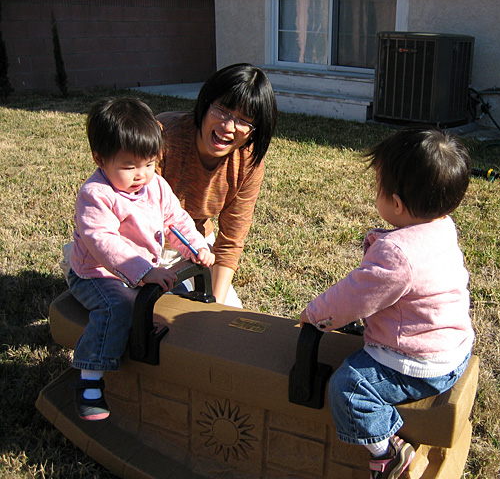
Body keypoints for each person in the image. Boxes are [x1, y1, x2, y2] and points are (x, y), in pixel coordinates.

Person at [299, 127, 475, 479]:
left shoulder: (396, 255)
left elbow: (354, 296)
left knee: (349, 389)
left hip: (417, 361)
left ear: (395, 203)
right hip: (455, 348)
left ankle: (389, 451)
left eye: (377, 187)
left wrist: (316, 315)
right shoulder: (443, 226)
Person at [67, 97, 215, 421]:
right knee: (117, 307)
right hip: (97, 274)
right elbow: (101, 241)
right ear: (100, 159)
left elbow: (175, 219)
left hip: (141, 268)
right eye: (130, 166)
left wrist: (196, 247)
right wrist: (143, 271)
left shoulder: (155, 186)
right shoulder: (96, 195)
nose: (141, 175)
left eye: (149, 163)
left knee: (175, 296)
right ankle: (89, 376)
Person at [156, 63, 277, 307]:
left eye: (245, 121)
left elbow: (230, 242)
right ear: (205, 103)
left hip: (195, 248)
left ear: (254, 132)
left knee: (225, 318)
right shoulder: (162, 136)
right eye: (222, 110)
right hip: (143, 244)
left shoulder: (248, 163)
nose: (229, 127)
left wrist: (214, 306)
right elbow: (127, 207)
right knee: (153, 317)